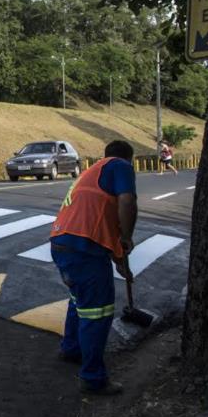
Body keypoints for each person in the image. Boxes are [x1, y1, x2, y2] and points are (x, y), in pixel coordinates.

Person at [49, 140, 137, 395]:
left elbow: (99, 221)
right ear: (127, 159)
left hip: (63, 243)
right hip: (83, 247)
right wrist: (128, 237)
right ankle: (93, 377)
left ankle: (71, 348)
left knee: (80, 301)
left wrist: (120, 261)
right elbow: (127, 202)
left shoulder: (92, 172)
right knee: (98, 312)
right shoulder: (120, 165)